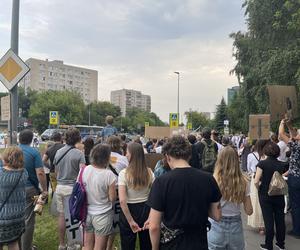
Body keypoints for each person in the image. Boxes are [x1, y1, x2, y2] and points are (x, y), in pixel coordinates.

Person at [147, 136, 222, 250]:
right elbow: (216, 215)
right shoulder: (208, 179)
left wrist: (154, 248)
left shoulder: (161, 182)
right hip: (199, 242)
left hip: (172, 244)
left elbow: (153, 226)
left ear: (167, 156)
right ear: (189, 156)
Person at [208, 146, 253, 250]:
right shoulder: (244, 181)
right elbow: (249, 211)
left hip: (216, 223)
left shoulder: (213, 180)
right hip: (235, 225)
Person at [54, 128, 85, 250]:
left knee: (62, 216)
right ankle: (73, 244)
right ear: (78, 138)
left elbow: (56, 171)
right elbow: (82, 173)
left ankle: (62, 244)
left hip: (60, 187)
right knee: (73, 218)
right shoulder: (79, 154)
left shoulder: (59, 152)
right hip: (72, 188)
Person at [118, 142, 154, 250]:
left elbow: (122, 201)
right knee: (147, 243)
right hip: (146, 209)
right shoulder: (150, 172)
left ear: (132, 154)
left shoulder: (123, 173)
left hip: (128, 210)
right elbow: (155, 195)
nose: (126, 155)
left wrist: (130, 221)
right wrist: (151, 216)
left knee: (127, 244)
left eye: (127, 152)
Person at [254, 141, 289, 250]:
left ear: (266, 151)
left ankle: (268, 244)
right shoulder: (281, 164)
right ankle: (280, 243)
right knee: (280, 219)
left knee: (268, 220)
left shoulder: (262, 164)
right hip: (279, 195)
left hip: (265, 195)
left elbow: (256, 181)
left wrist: (259, 188)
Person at [82, 144, 117, 250]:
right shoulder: (109, 175)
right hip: (103, 214)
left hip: (87, 212)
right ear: (107, 158)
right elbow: (112, 198)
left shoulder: (85, 169)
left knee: (87, 245)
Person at [19, 129, 48, 250]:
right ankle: (26, 247)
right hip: (29, 188)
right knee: (28, 220)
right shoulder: (33, 152)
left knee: (15, 218)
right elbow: (40, 173)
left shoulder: (11, 150)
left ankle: (15, 245)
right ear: (32, 140)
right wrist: (45, 189)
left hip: (12, 188)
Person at [0, 147, 27, 250]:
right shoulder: (23, 173)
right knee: (14, 243)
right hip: (18, 216)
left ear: (5, 157)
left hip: (2, 217)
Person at [279, 119, 300, 239]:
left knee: (295, 205)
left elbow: (282, 135)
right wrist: (289, 124)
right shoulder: (297, 144)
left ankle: (297, 230)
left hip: (296, 179)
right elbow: (293, 134)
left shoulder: (296, 147)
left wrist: (282, 123)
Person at [106, 136, 129, 250]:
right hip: (118, 191)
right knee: (115, 220)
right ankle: (109, 246)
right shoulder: (123, 159)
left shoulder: (102, 157)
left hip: (103, 191)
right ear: (119, 145)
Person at [247, 139, 268, 234]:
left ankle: (259, 224)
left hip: (255, 179)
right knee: (265, 202)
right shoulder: (267, 156)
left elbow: (248, 168)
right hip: (266, 180)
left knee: (255, 202)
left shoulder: (251, 155)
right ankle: (264, 224)